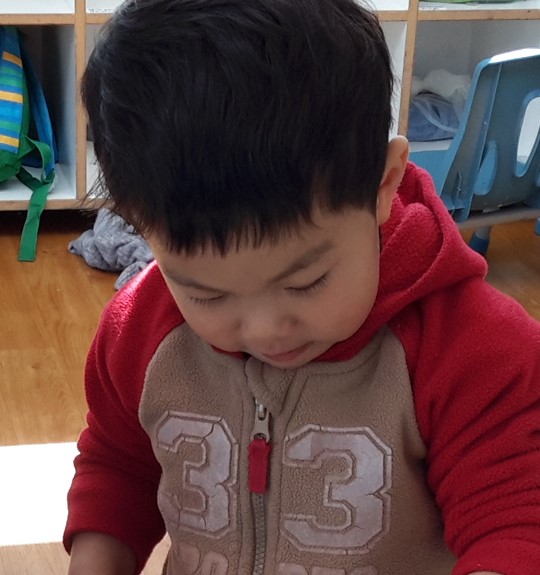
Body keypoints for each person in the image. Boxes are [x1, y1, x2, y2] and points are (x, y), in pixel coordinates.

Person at [63, 0, 540, 573]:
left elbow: (515, 523)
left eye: (307, 281)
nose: (266, 330)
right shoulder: (140, 333)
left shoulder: (472, 351)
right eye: (208, 294)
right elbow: (119, 466)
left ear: (383, 184)